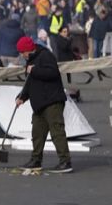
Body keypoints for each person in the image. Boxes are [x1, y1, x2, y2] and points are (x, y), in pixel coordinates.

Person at [15, 36, 73, 174]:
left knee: (57, 132)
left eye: (22, 52)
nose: (21, 55)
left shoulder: (46, 55)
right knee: (37, 133)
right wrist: (22, 97)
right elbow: (30, 83)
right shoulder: (30, 61)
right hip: (39, 103)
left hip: (52, 101)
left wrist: (34, 70)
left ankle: (65, 161)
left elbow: (53, 73)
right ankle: (36, 160)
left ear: (27, 50)